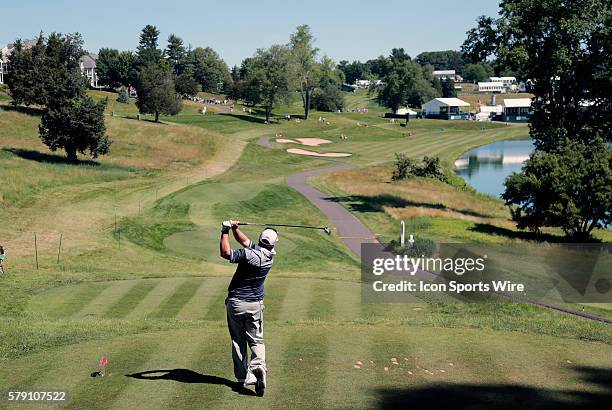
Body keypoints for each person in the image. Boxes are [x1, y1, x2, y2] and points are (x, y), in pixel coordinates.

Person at [219, 220, 278, 397]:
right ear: (273, 244)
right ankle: (259, 368)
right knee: (256, 340)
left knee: (238, 340)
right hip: (256, 305)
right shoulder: (268, 256)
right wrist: (235, 229)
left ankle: (241, 378)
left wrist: (224, 231)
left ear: (260, 239)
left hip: (236, 303)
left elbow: (226, 253)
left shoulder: (248, 255)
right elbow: (246, 242)